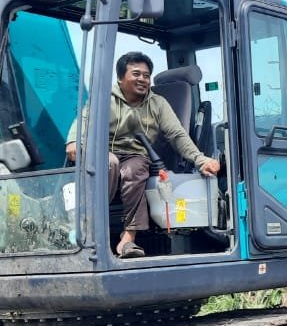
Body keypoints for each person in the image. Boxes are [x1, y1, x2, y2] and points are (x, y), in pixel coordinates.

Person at [66, 52, 221, 258]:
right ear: (121, 78)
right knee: (109, 162)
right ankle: (91, 229)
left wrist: (200, 159)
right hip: (105, 154)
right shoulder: (104, 100)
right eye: (136, 74)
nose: (142, 79)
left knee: (136, 168)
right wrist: (74, 141)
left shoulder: (158, 103)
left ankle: (128, 239)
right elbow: (83, 122)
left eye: (146, 76)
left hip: (136, 155)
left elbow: (176, 134)